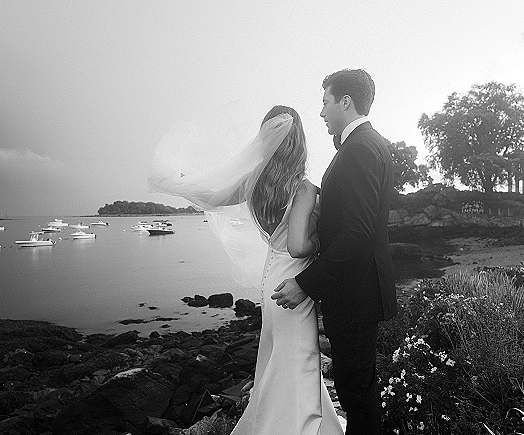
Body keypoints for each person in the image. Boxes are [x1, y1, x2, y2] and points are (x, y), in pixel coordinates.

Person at [148, 105, 344, 435]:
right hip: (293, 286)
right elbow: (298, 246)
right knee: (299, 360)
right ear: (298, 143)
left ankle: (313, 424)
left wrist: (181, 184)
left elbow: (212, 196)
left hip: (271, 282)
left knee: (279, 361)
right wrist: (322, 239)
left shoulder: (254, 184)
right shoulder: (304, 189)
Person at [272, 69, 397, 435]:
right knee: (357, 389)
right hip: (358, 289)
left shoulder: (358, 150)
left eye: (326, 102)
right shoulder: (368, 145)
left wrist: (305, 283)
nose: (322, 111)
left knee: (356, 393)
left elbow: (357, 234)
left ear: (346, 102)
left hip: (355, 294)